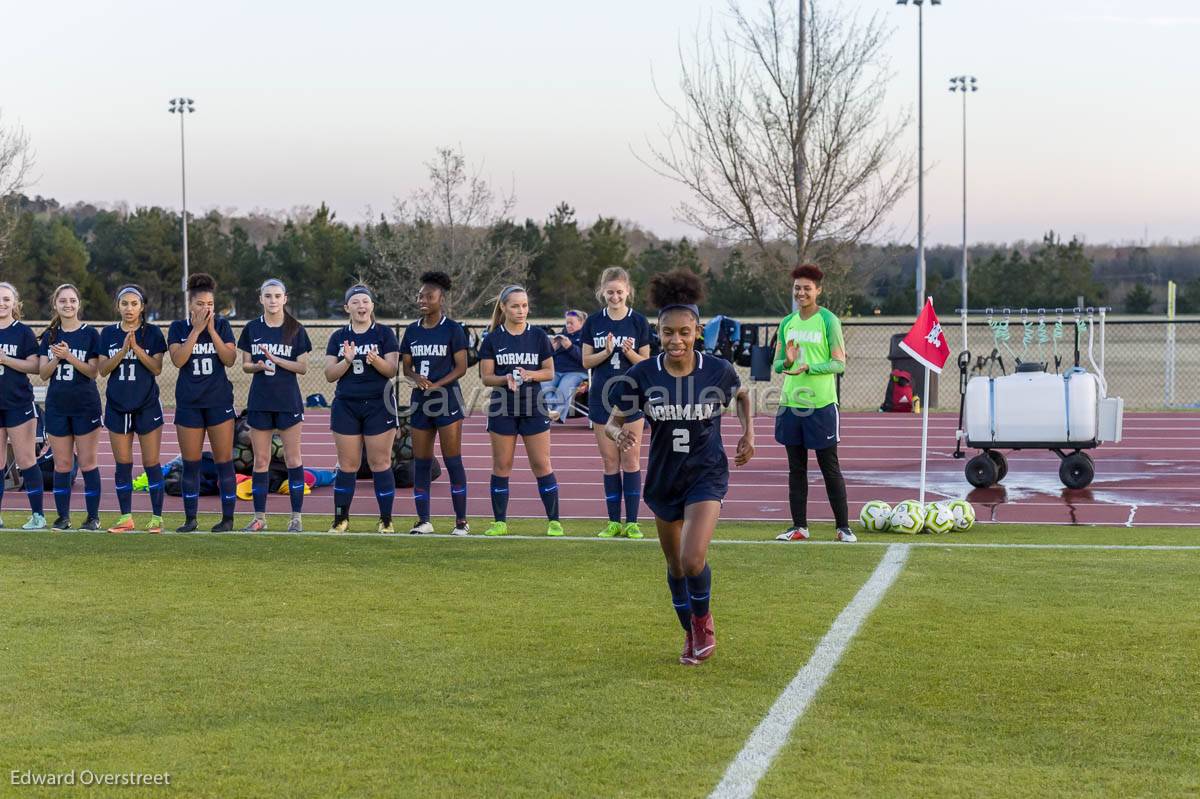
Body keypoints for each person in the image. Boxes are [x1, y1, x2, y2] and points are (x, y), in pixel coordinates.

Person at [606, 269, 754, 666]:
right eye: (668, 333)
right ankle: (688, 631)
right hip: (664, 478)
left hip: (706, 473)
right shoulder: (643, 373)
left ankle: (704, 622)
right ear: (658, 332)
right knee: (674, 566)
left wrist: (748, 434)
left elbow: (742, 396)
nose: (676, 340)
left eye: (684, 332)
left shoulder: (716, 369)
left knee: (692, 559)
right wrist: (615, 433)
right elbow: (614, 419)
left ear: (697, 331)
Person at [772, 264, 854, 543]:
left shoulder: (828, 321)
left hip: (821, 404)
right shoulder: (787, 323)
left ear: (818, 290)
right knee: (796, 469)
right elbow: (777, 363)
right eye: (797, 287)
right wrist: (790, 362)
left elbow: (839, 363)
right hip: (791, 404)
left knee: (829, 467)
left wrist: (809, 367)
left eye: (807, 288)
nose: (801, 292)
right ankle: (799, 527)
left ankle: (843, 528)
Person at [477, 285, 562, 538]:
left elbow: (549, 372)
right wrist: (505, 379)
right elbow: (486, 377)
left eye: (524, 305)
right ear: (503, 307)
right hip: (503, 408)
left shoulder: (538, 336)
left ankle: (554, 522)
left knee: (541, 464)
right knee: (502, 465)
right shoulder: (493, 338)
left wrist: (529, 374)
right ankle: (500, 522)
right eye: (515, 306)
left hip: (533, 407)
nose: (521, 310)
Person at [324, 284, 400, 534]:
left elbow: (392, 370)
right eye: (355, 302)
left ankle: (386, 519)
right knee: (348, 464)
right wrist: (347, 360)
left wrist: (376, 360)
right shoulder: (338, 337)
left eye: (365, 301)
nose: (361, 306)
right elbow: (329, 375)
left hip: (379, 404)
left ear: (372, 306)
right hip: (347, 405)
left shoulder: (384, 333)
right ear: (347, 307)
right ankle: (340, 518)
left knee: (380, 462)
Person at [237, 279, 312, 533]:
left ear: (285, 299)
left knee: (293, 459)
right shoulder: (251, 328)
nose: (272, 300)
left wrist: (276, 359)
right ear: (261, 299)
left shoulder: (295, 329)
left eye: (277, 296)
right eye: (267, 296)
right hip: (260, 401)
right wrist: (257, 366)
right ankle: (259, 517)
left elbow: (302, 367)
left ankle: (296, 517)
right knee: (261, 460)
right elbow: (245, 364)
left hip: (287, 400)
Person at [581, 266, 651, 539]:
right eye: (610, 292)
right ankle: (613, 522)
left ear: (628, 292)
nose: (615, 297)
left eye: (620, 292)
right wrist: (606, 352)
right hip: (601, 398)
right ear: (602, 292)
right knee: (610, 460)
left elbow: (646, 362)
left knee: (631, 459)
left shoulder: (639, 322)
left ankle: (632, 521)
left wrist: (629, 353)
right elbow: (586, 361)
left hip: (631, 396)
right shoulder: (594, 322)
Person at [400, 271, 470, 536]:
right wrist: (416, 377)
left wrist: (438, 384)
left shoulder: (453, 329)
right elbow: (406, 368)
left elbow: (461, 367)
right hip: (420, 402)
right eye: (420, 296)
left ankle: (461, 522)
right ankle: (423, 520)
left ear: (441, 299)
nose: (423, 300)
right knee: (421, 461)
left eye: (429, 296)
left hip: (446, 400)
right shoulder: (412, 330)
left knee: (453, 461)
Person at [168, 273, 239, 533]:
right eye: (200, 304)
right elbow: (178, 360)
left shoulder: (222, 326)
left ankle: (228, 519)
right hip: (189, 404)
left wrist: (210, 330)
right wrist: (197, 331)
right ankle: (190, 519)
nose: (206, 309)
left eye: (210, 304)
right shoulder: (178, 327)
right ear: (190, 305)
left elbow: (229, 359)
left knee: (224, 462)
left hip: (218, 402)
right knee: (191, 463)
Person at [97, 285, 168, 534]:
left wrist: (137, 349)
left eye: (134, 304)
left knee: (151, 462)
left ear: (142, 307)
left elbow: (157, 368)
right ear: (118, 306)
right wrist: (123, 350)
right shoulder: (107, 333)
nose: (129, 308)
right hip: (118, 405)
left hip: (147, 405)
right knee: (123, 463)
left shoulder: (153, 333)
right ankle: (126, 517)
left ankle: (157, 517)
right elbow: (103, 370)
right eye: (124, 303)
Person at [37, 283, 103, 531]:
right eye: (63, 301)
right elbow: (43, 374)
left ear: (78, 304)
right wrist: (56, 356)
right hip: (57, 406)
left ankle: (93, 517)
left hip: (85, 405)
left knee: (87, 463)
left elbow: (93, 372)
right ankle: (63, 517)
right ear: (55, 304)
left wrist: (70, 357)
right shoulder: (50, 335)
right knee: (62, 465)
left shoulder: (90, 334)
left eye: (72, 300)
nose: (68, 305)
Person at [0, 282, 48, 530]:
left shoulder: (23, 333)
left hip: (18, 403)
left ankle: (38, 515)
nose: (2, 303)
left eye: (7, 299)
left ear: (14, 303)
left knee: (26, 459)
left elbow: (36, 366)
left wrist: (6, 359)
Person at [542, 309, 587, 422]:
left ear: (581, 323)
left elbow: (585, 359)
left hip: (576, 372)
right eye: (567, 323)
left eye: (572, 323)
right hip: (556, 370)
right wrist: (552, 348)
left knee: (564, 388)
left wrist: (570, 347)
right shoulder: (562, 336)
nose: (568, 326)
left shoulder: (586, 337)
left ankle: (554, 414)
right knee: (544, 386)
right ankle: (554, 413)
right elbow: (549, 358)